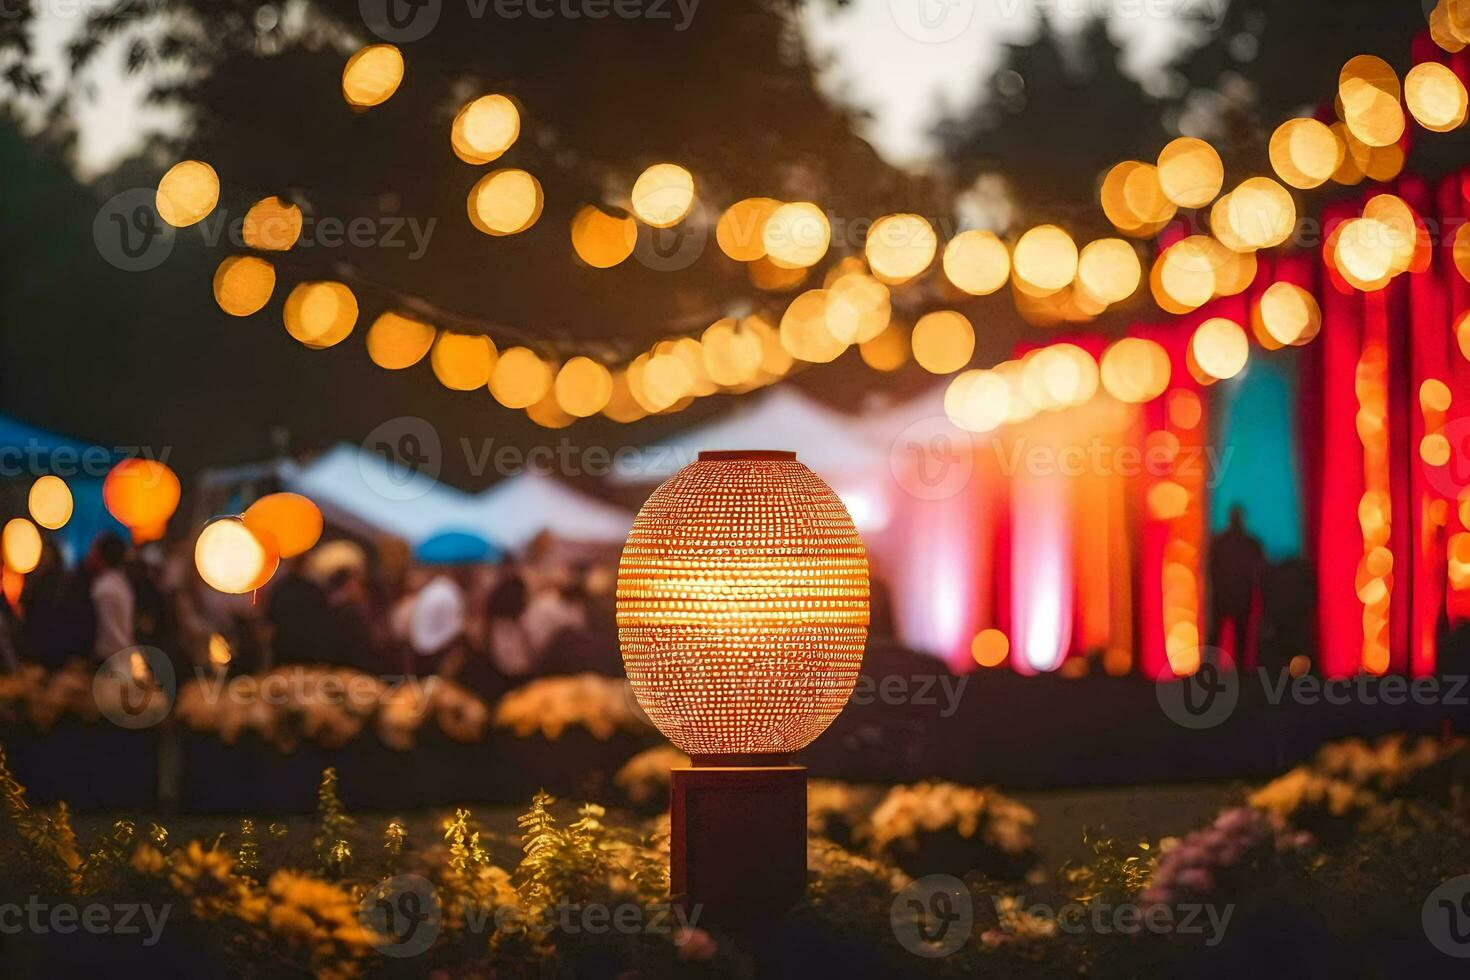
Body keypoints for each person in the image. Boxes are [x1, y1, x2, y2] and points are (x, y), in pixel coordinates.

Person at [1209, 505, 1265, 668]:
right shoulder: (1251, 544)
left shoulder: (1220, 542)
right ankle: (1240, 669)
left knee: (1220, 633)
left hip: (1224, 594)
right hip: (1241, 594)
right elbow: (1260, 569)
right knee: (1242, 635)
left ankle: (1212, 669)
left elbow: (1212, 568)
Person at [87, 532, 135, 663]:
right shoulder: (121, 582)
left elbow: (109, 631)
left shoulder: (104, 587)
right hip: (122, 655)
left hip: (109, 658)